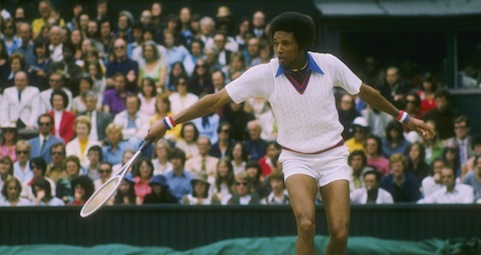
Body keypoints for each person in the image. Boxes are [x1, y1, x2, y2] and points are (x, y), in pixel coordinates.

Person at [145, 12, 433, 255]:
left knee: (341, 233)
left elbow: (367, 92)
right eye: (275, 43)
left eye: (286, 43)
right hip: (296, 158)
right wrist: (168, 122)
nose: (279, 49)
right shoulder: (263, 74)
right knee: (306, 225)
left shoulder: (330, 64)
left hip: (333, 155)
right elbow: (215, 100)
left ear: (302, 45)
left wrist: (405, 118)